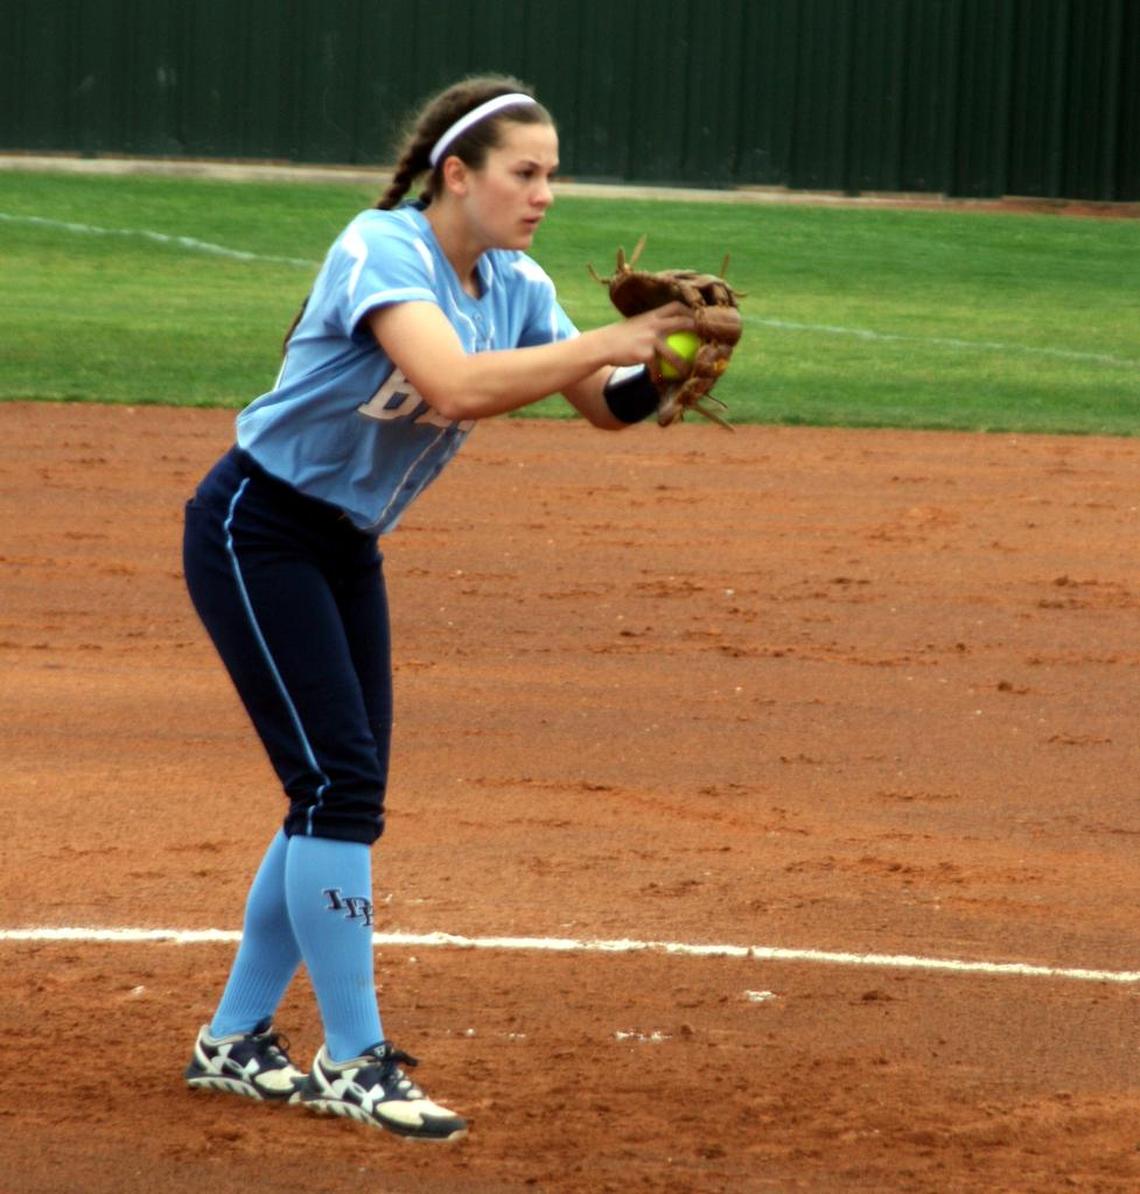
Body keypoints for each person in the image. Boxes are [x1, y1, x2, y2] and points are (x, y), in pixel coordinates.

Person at [180, 74, 693, 1142]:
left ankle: (234, 1040)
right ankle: (355, 1060)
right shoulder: (382, 249)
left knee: (333, 789)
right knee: (340, 784)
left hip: (343, 547)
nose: (545, 193)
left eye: (552, 174)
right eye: (526, 172)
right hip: (256, 529)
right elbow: (455, 385)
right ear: (457, 174)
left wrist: (673, 358)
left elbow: (604, 407)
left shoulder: (513, 280)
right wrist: (607, 341)